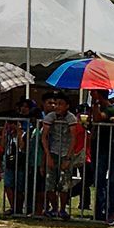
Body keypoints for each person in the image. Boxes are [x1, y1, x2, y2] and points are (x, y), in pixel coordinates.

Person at [40, 91, 82, 220]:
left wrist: (68, 158)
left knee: (64, 184)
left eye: (60, 104)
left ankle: (63, 209)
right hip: (52, 152)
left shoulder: (71, 118)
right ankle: (54, 208)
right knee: (50, 184)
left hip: (65, 153)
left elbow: (74, 138)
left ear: (67, 106)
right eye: (56, 104)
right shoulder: (50, 116)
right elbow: (44, 137)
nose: (57, 106)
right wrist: (47, 156)